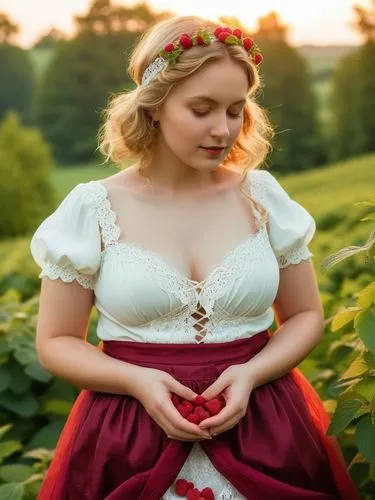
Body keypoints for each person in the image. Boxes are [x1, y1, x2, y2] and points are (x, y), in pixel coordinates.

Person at [30, 15, 360, 500]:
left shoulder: (261, 197)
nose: (222, 129)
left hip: (267, 428)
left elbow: (306, 315)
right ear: (155, 105)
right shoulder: (92, 207)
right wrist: (136, 381)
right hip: (128, 435)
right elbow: (56, 340)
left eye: (234, 110)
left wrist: (252, 373)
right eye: (202, 109)